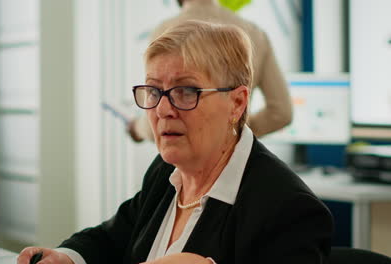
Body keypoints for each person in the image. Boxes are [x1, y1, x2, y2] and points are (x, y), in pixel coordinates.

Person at [18, 21, 332, 264]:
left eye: (186, 91)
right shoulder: (167, 171)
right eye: (154, 91)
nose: (163, 109)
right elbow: (114, 237)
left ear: (237, 103)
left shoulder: (288, 210)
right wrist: (69, 257)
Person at [128, 0, 292, 142]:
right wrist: (236, 129)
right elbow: (282, 113)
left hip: (184, 165)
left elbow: (154, 123)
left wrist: (136, 128)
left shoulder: (165, 31)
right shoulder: (255, 33)